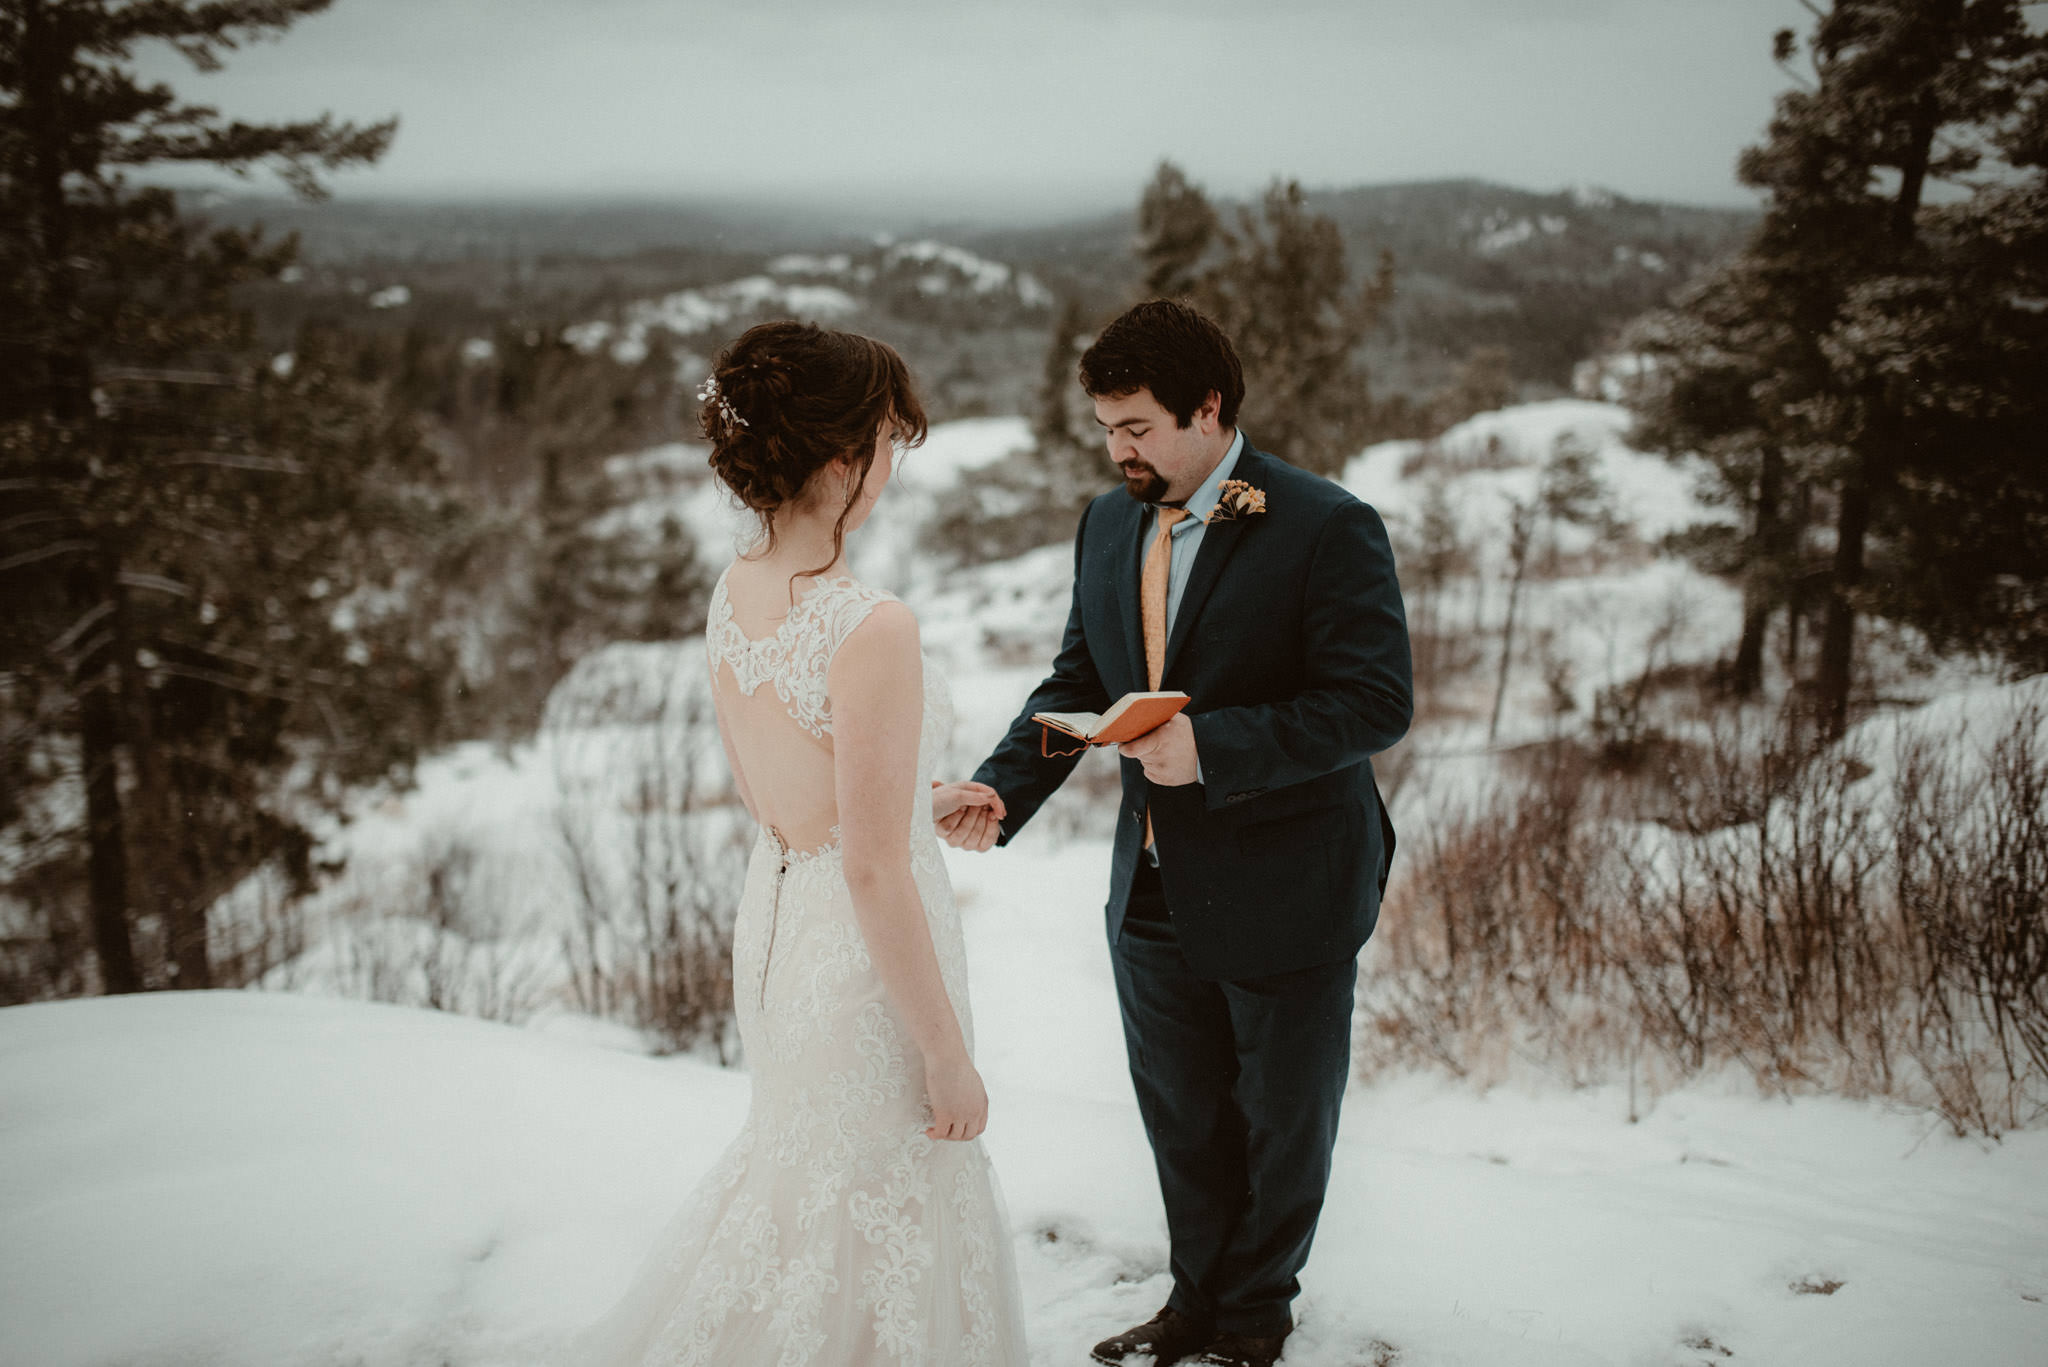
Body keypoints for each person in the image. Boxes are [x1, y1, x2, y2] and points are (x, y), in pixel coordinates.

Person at [941, 299, 1412, 1367]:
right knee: (1183, 1117)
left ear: (1208, 409)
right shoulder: (1107, 522)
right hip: (1150, 881)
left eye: (1138, 427)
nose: (1118, 450)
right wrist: (1003, 787)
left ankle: (1251, 1317)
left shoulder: (1324, 523)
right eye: (1105, 428)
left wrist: (1213, 747)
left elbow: (1373, 702)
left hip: (1290, 877)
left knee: (1280, 1121)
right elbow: (1079, 679)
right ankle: (1191, 1300)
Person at [581, 320, 1028, 1366]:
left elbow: (792, 795)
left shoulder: (734, 588)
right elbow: (870, 866)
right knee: (890, 1187)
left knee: (807, 1192)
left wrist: (914, 798)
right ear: (840, 458)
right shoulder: (871, 624)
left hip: (780, 919)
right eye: (883, 443)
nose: (888, 469)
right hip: (861, 957)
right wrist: (946, 1052)